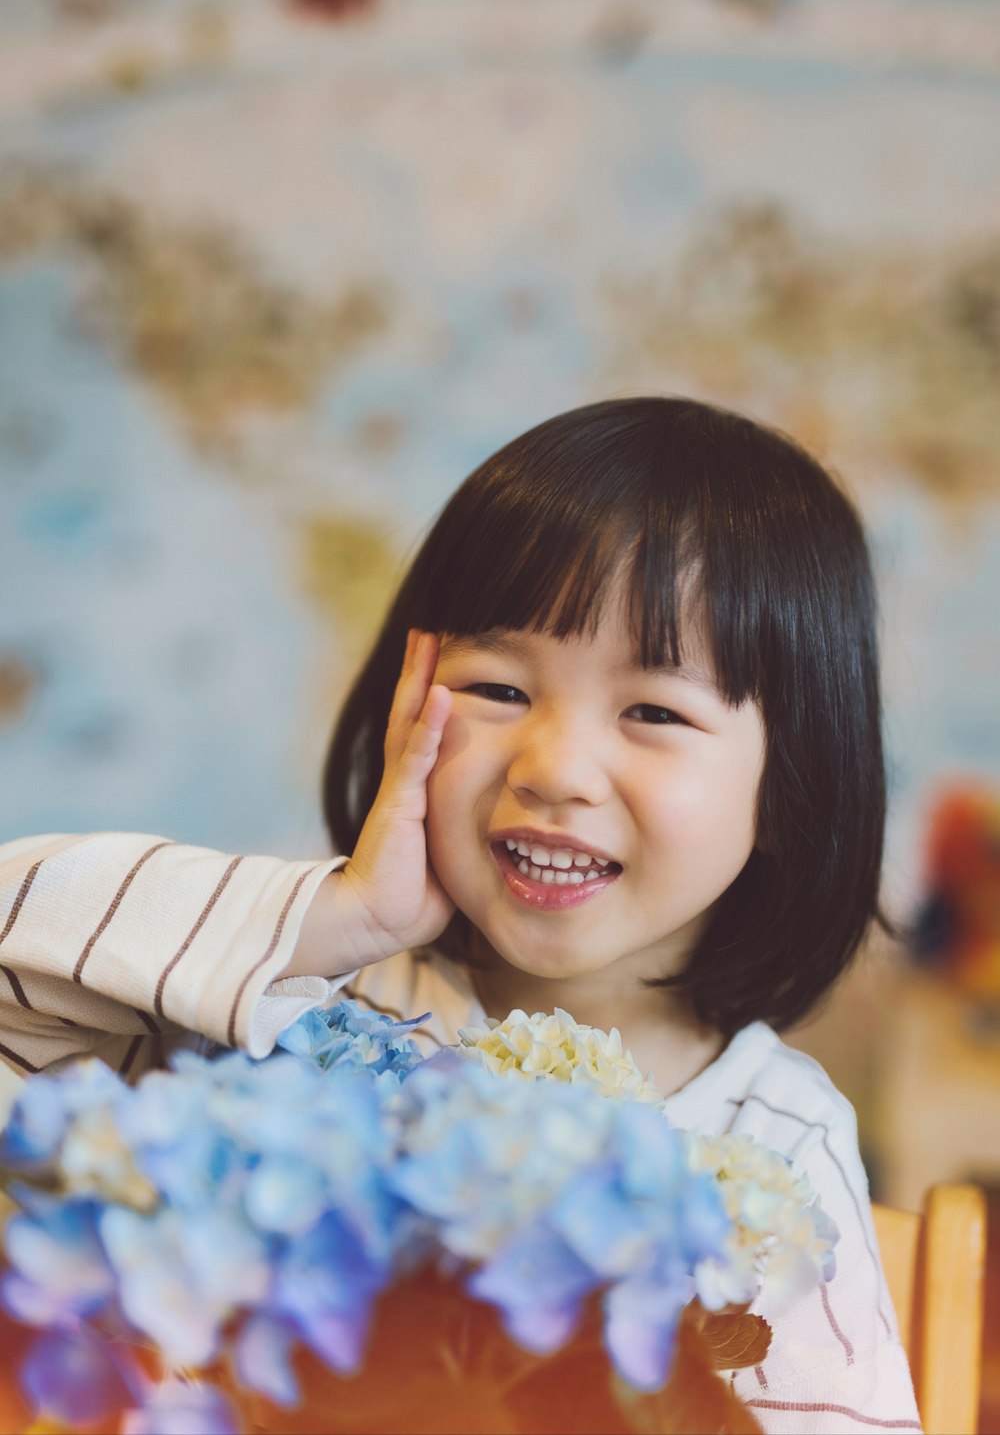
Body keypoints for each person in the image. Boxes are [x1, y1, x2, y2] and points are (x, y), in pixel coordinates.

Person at [0, 397, 921, 1432]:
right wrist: (333, 919)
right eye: (497, 687)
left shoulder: (781, 1145)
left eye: (653, 710)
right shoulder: (282, 1006)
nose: (555, 769)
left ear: (793, 782)